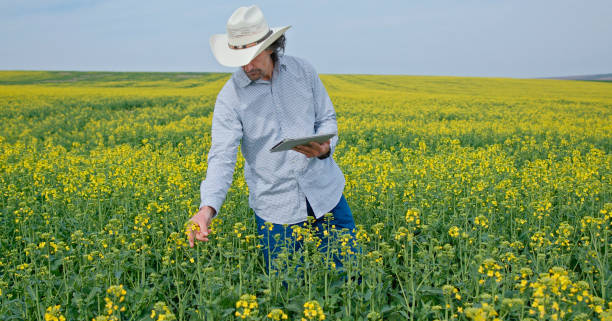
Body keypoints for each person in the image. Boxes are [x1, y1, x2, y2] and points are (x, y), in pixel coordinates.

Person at [187, 5, 356, 271]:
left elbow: (327, 119)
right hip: (277, 210)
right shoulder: (230, 98)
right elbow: (221, 157)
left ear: (271, 46)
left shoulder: (304, 72)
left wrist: (325, 148)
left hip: (326, 195)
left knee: (351, 275)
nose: (247, 65)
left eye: (253, 56)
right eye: (239, 59)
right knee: (286, 291)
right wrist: (207, 208)